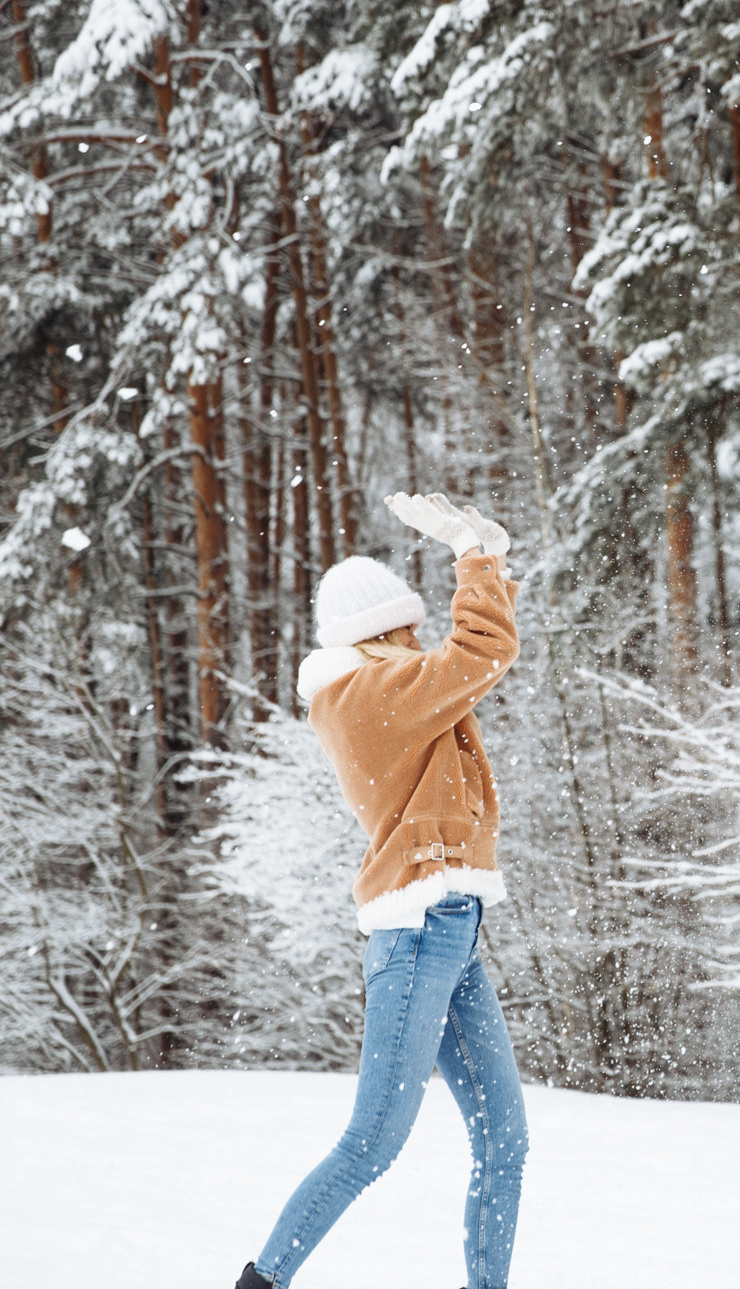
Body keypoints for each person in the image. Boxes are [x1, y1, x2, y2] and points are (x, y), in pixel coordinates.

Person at [234, 492, 528, 1289]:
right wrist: (475, 555)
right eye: (406, 629)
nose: (417, 640)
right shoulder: (370, 695)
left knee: (505, 1135)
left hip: (451, 930)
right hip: (418, 931)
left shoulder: (388, 686)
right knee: (372, 1143)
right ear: (381, 635)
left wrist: (485, 561)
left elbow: (468, 660)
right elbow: (481, 652)